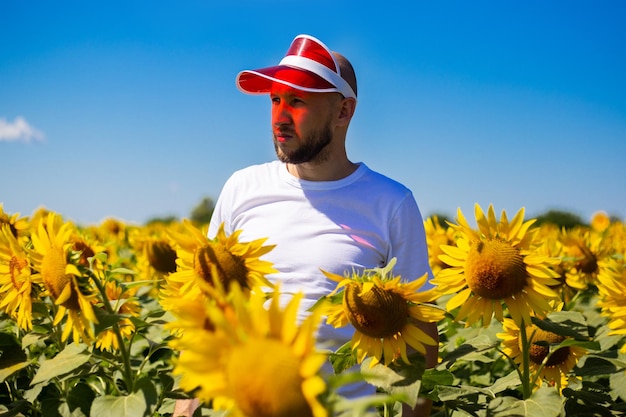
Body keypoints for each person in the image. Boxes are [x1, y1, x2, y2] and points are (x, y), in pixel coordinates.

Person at [174, 34, 437, 417]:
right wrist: (186, 406)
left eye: (297, 101)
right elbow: (209, 309)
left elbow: (421, 342)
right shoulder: (242, 188)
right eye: (275, 100)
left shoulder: (391, 203)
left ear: (343, 111)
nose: (280, 116)